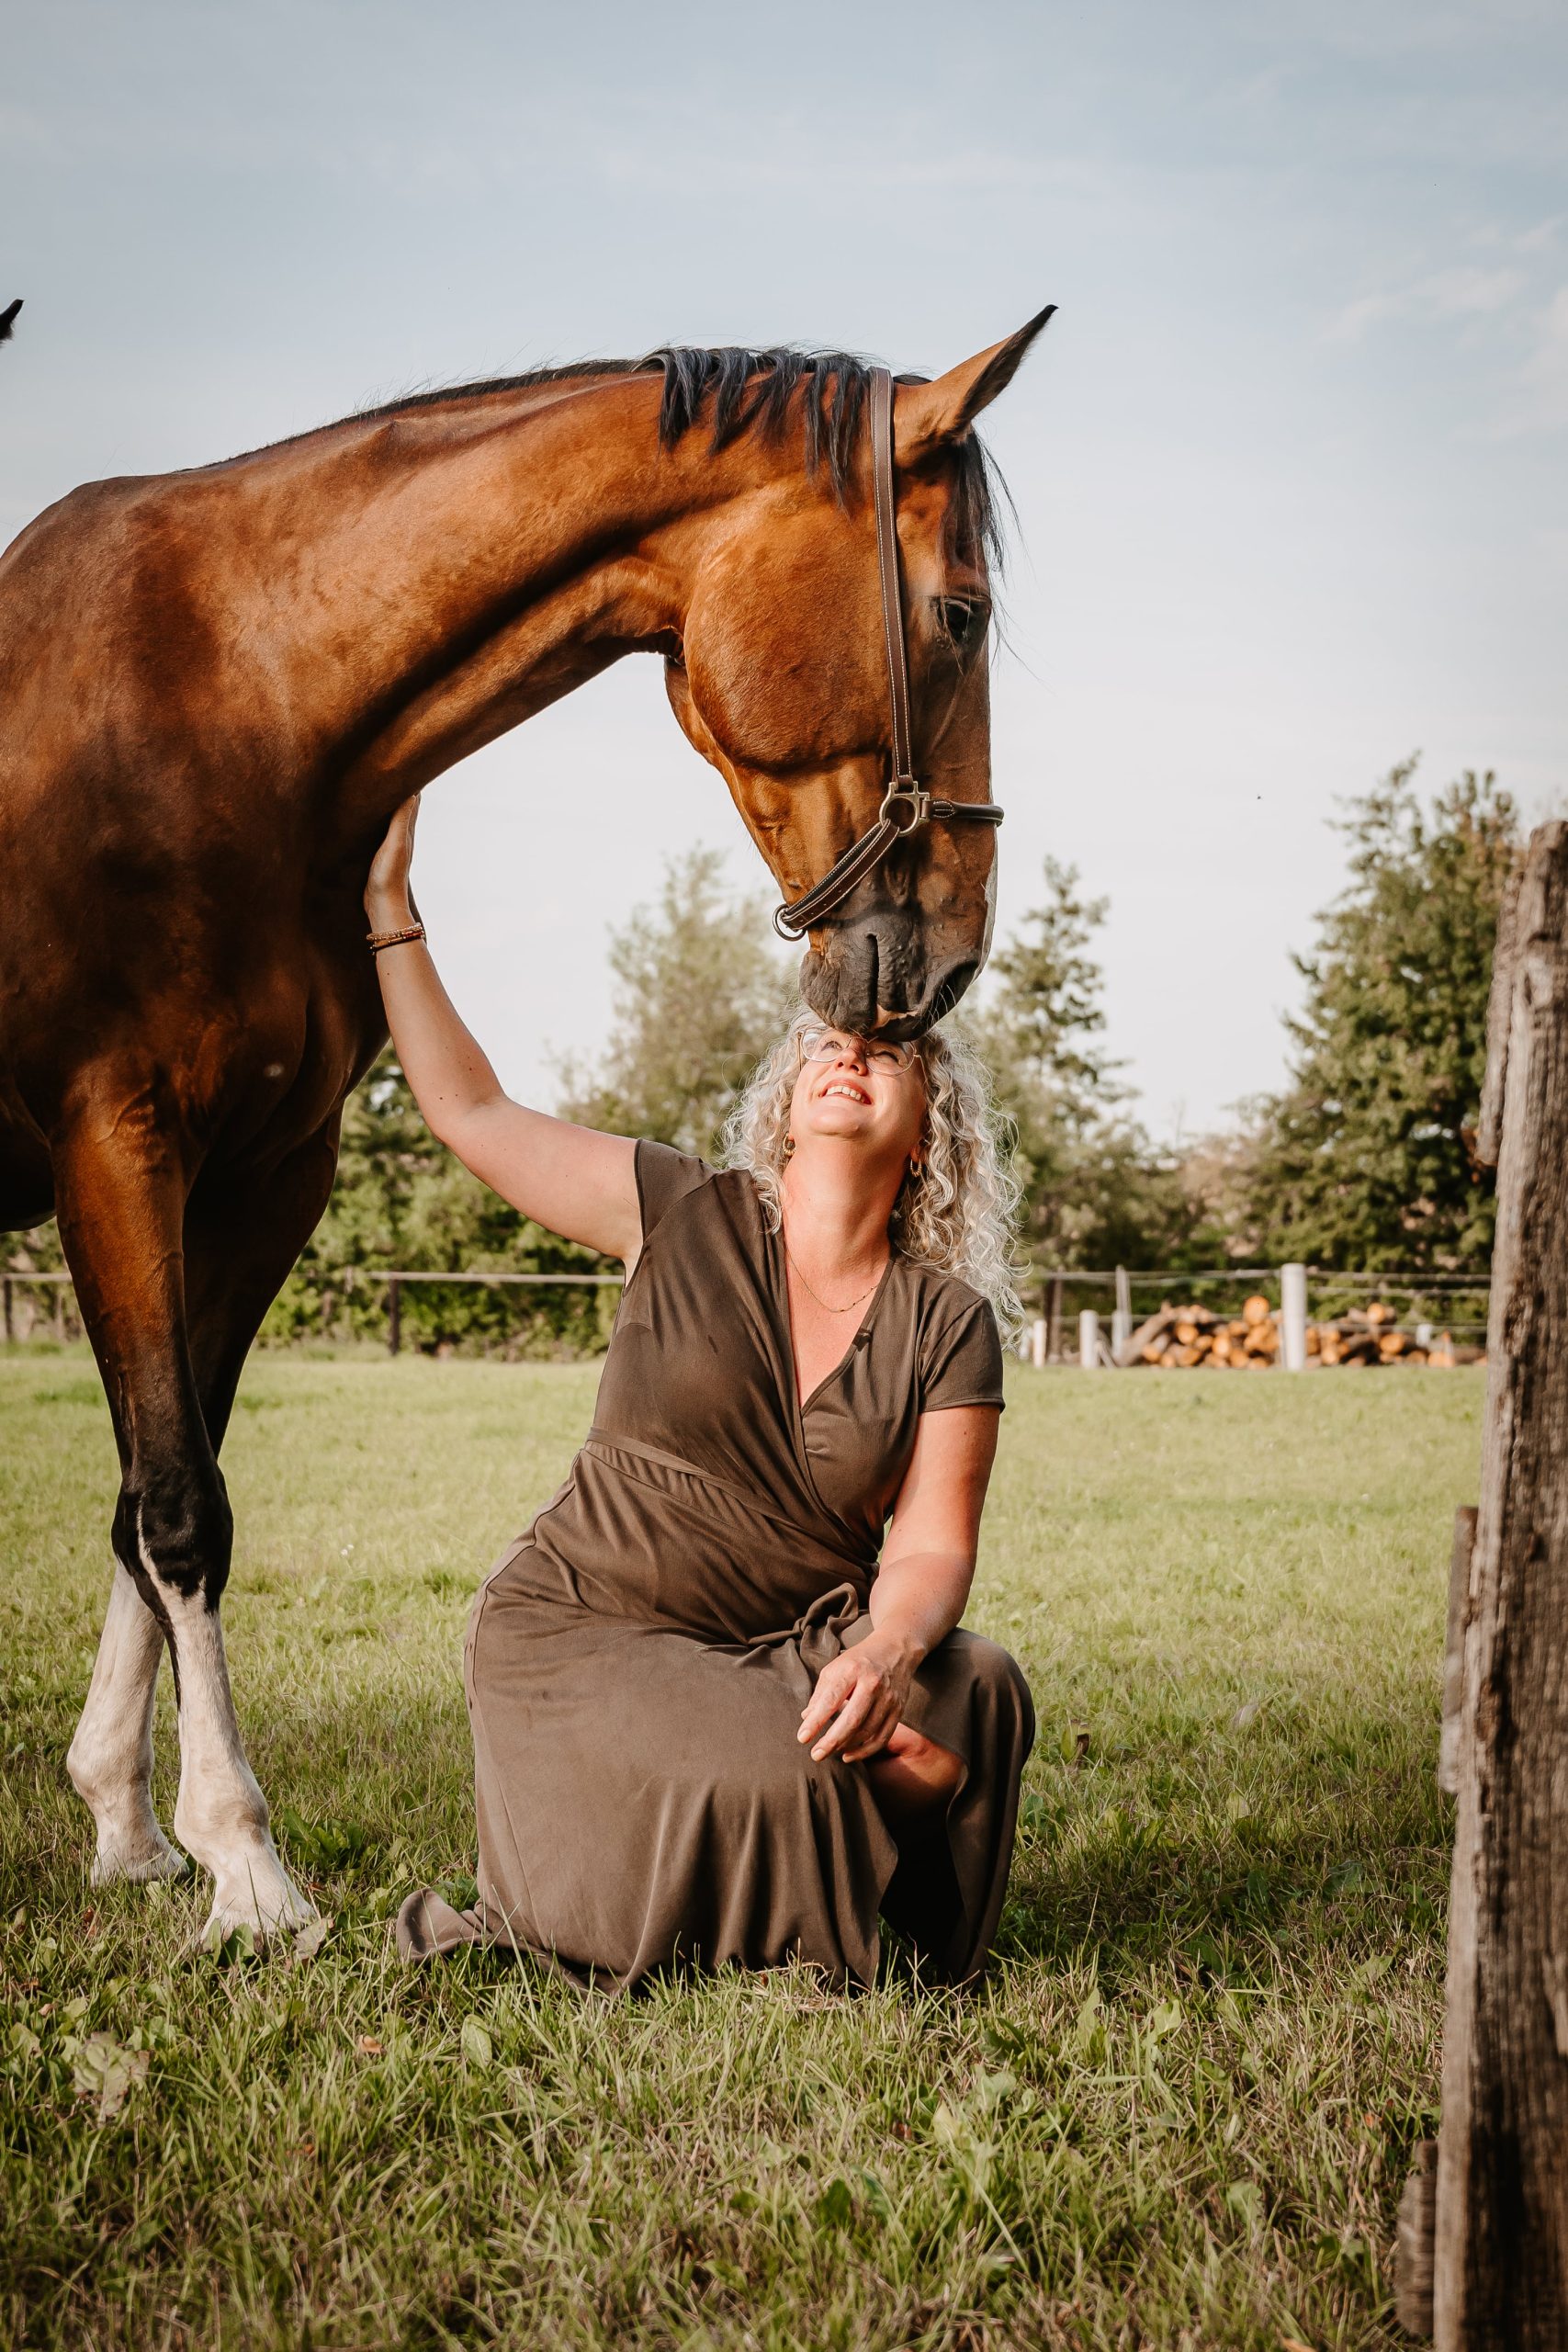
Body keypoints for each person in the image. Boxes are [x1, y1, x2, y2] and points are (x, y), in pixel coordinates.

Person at [366, 796, 1035, 1991]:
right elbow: (471, 1114)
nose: (851, 1052)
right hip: (591, 1631)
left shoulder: (947, 1325)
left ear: (932, 1133)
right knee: (801, 1772)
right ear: (783, 1101)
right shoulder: (679, 1209)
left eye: (890, 1051)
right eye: (826, 1043)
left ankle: (857, 1822)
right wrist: (389, 916)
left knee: (976, 1690)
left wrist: (884, 1651)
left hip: (790, 1641)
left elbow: (933, 1545)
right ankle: (836, 1830)